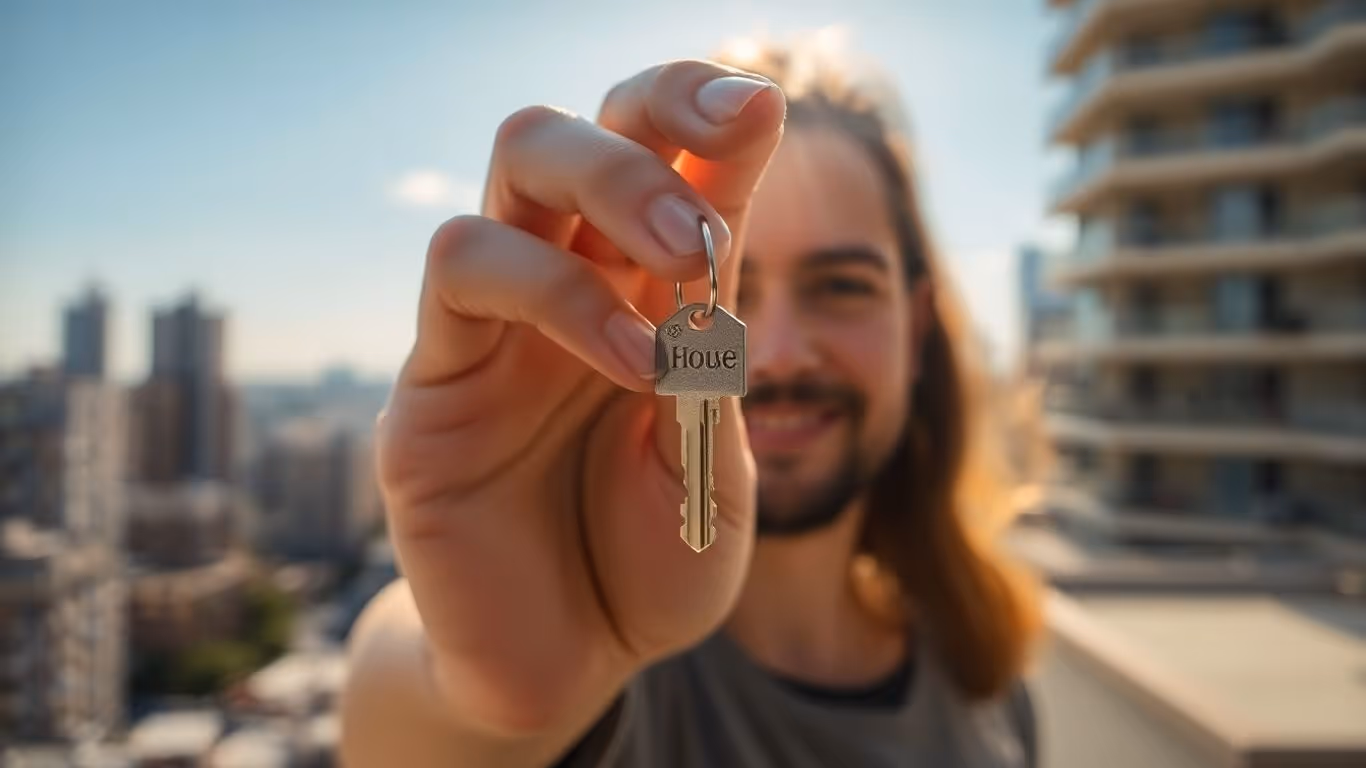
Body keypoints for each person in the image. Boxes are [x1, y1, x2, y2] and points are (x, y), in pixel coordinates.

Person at [341, 39, 1042, 768]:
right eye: (720, 292)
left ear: (916, 319)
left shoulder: (984, 682)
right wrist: (492, 703)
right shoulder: (601, 657)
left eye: (841, 285)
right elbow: (409, 710)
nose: (769, 353)